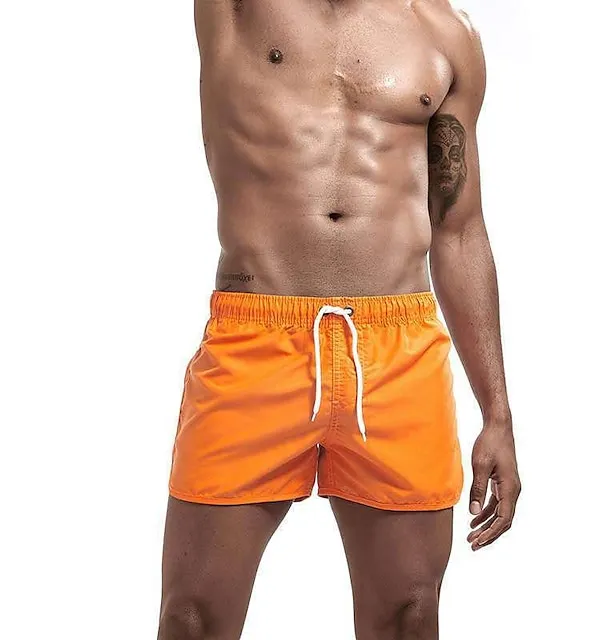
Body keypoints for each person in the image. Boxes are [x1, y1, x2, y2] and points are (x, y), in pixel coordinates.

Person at [158, 1, 521, 638]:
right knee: (193, 620)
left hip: (400, 352)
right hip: (256, 340)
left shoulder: (445, 35)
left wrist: (497, 412)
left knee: (409, 616)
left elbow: (459, 230)